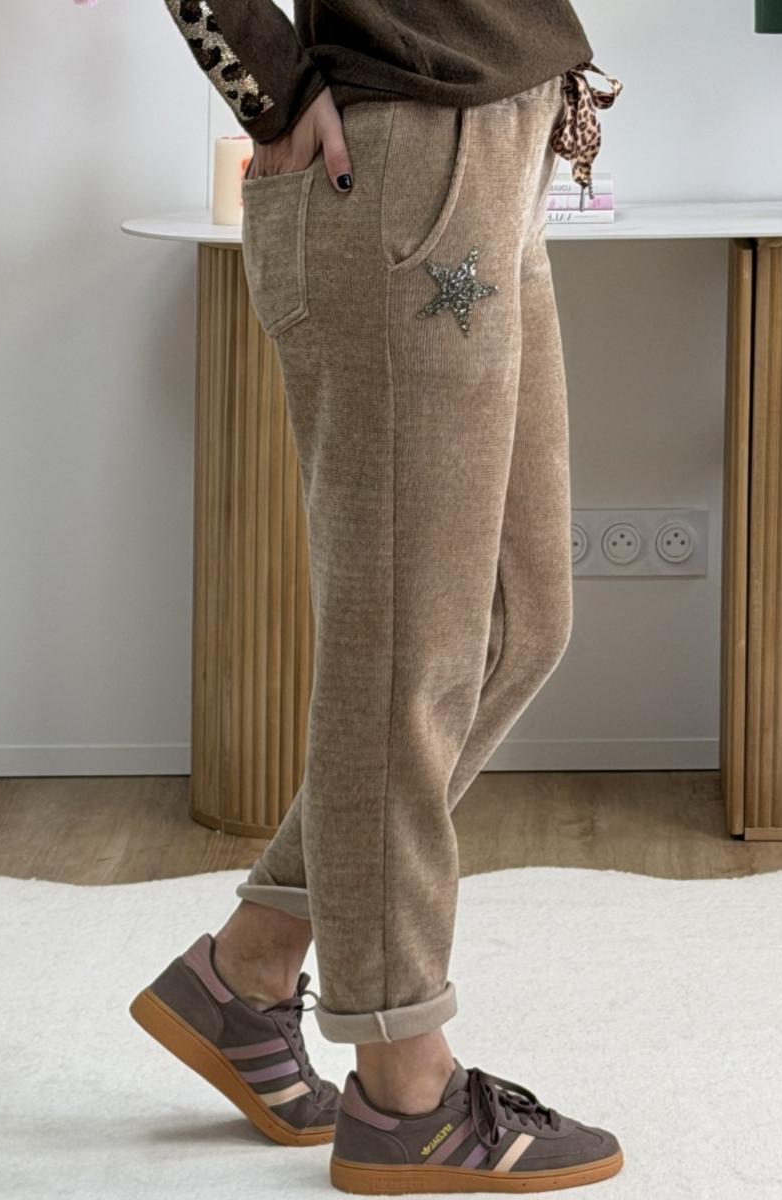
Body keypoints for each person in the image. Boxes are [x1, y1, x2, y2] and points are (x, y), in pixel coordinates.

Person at [131, 2, 623, 1192]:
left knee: (516, 626)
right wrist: (268, 84)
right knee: (412, 651)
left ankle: (249, 971)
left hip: (499, 147)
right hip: (401, 156)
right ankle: (406, 1084)